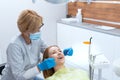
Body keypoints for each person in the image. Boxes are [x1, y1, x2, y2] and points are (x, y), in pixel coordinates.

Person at [1, 9, 73, 80]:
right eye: (36, 29)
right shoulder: (14, 46)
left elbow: (48, 51)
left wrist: (62, 52)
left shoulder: (36, 39)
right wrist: (40, 67)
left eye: (40, 27)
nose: (39, 31)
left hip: (31, 77)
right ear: (25, 30)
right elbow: (19, 76)